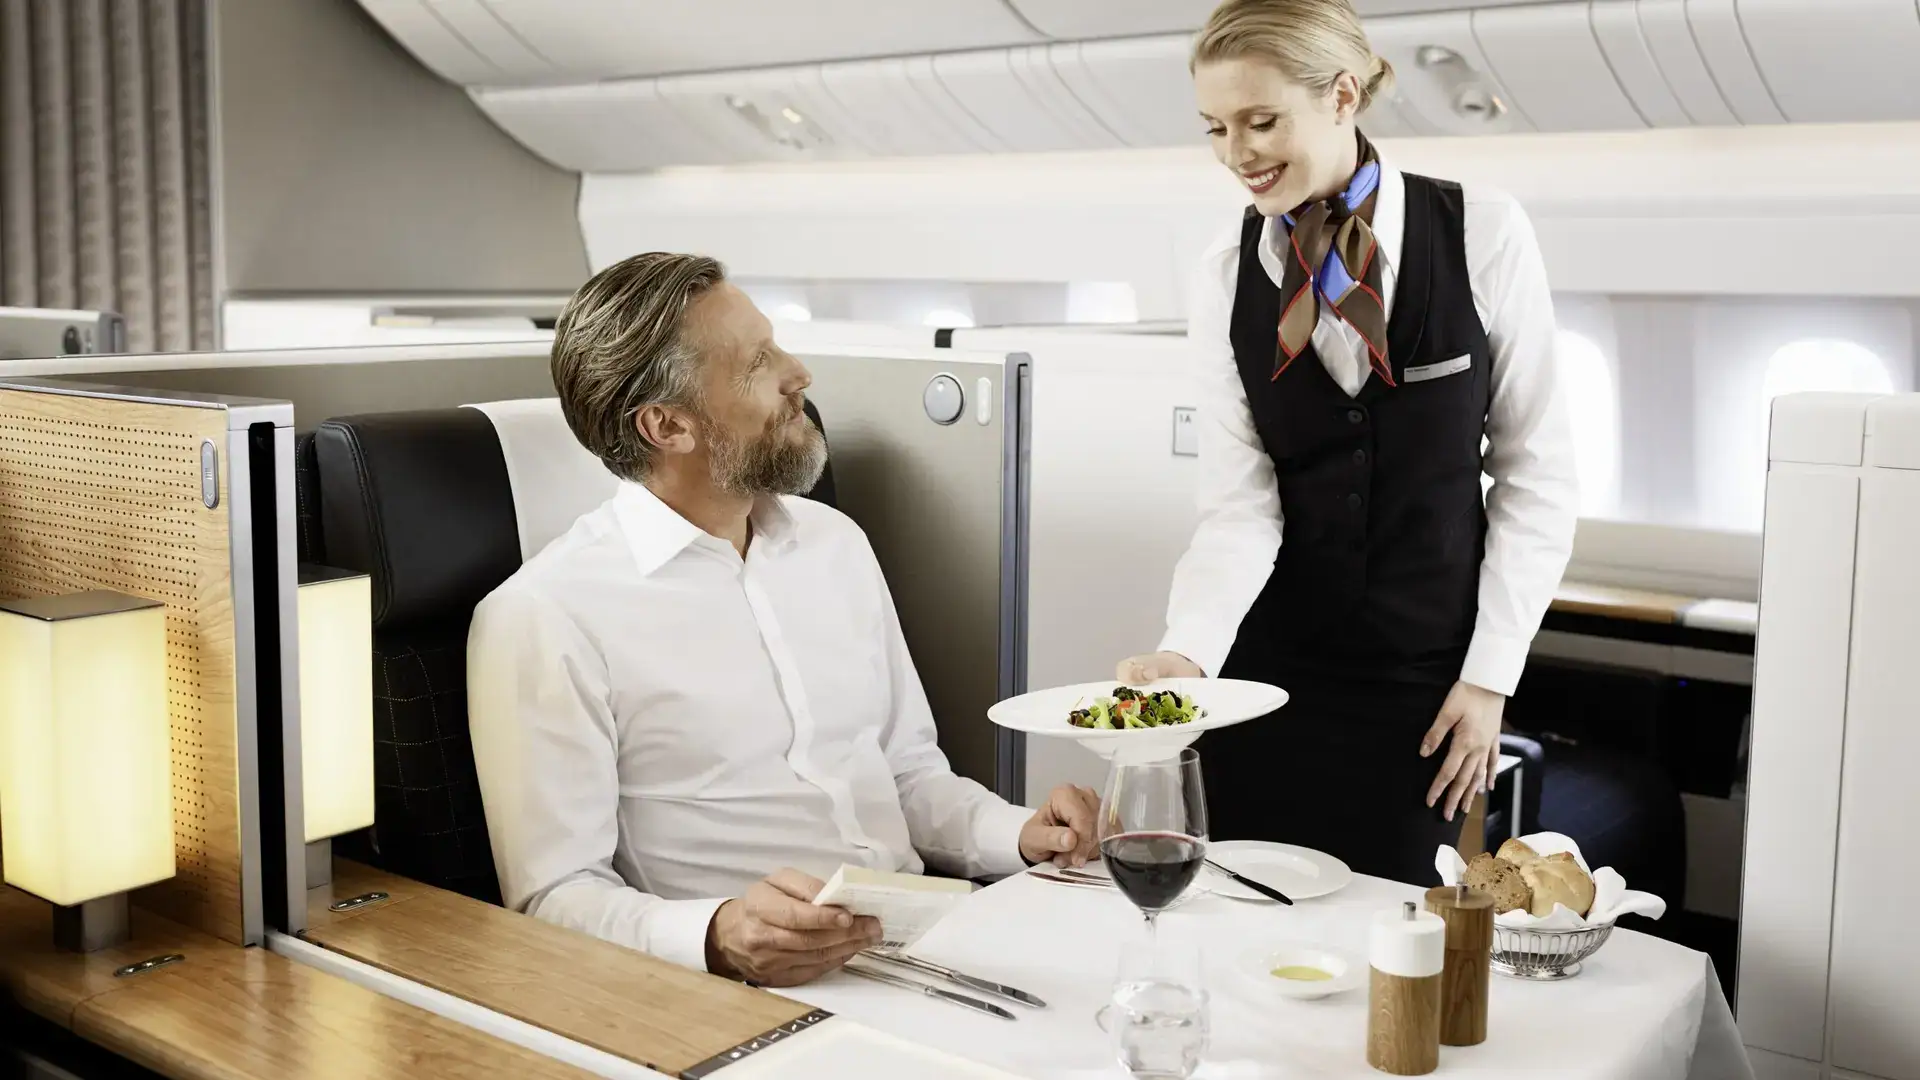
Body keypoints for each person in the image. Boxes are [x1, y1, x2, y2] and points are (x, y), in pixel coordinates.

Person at [468, 252, 1100, 988]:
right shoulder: (546, 615)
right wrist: (717, 934)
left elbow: (906, 774)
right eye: (757, 362)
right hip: (748, 995)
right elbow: (554, 896)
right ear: (667, 424)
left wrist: (1019, 835)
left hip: (932, 942)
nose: (799, 372)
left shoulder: (835, 544)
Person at [1117, 0, 1578, 885]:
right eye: (1215, 128)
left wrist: (1490, 680)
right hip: (1267, 674)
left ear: (1341, 96)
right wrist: (1188, 653)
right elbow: (1240, 505)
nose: (1236, 153)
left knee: (1395, 941)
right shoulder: (1226, 270)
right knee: (1242, 918)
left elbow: (1537, 477)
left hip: (1427, 686)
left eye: (1261, 121)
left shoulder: (1482, 233)